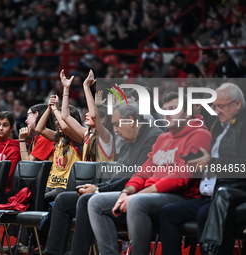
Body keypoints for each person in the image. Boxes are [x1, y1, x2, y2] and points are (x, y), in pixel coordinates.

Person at [87, 91, 212, 255]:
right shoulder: (163, 138)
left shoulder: (200, 135)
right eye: (165, 109)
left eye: (173, 109)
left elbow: (181, 178)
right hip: (150, 194)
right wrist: (126, 191)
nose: (168, 114)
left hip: (179, 196)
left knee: (136, 202)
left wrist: (139, 194)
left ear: (187, 113)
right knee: (95, 202)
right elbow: (144, 171)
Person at [43, 100, 163, 255]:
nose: (115, 130)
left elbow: (136, 177)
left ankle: (77, 252)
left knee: (88, 200)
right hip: (119, 191)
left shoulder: (153, 138)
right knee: (62, 200)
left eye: (117, 124)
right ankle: (52, 252)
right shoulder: (129, 136)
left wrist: (98, 189)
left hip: (140, 194)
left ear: (131, 121)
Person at [183, 83, 245, 255]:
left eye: (221, 106)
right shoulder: (219, 127)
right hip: (214, 189)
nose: (216, 111)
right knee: (170, 211)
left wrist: (210, 163)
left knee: (207, 211)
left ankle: (211, 251)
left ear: (237, 104)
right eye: (214, 106)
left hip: (234, 188)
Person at [35, 95, 83, 204]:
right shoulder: (58, 137)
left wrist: (56, 109)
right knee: (33, 197)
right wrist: (49, 108)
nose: (57, 122)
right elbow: (39, 128)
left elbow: (66, 127)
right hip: (51, 184)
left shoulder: (78, 138)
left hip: (65, 187)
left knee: (40, 199)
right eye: (56, 119)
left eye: (61, 119)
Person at [60, 69, 114, 162]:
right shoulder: (87, 134)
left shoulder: (106, 136)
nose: (86, 114)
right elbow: (65, 116)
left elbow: (93, 115)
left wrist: (86, 87)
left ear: (102, 119)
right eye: (87, 112)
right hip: (88, 175)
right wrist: (66, 88)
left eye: (90, 112)